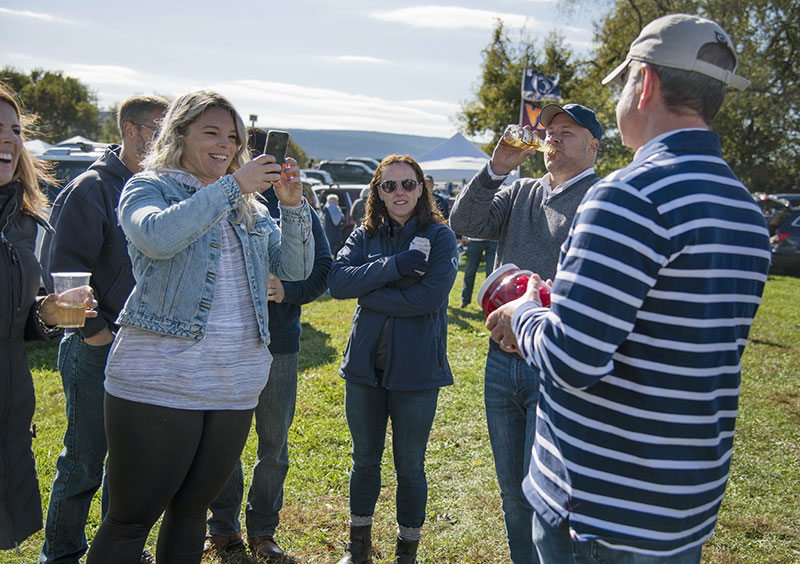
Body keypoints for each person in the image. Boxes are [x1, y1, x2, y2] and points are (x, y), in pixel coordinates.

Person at [488, 14, 769, 563]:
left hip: (598, 510)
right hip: (680, 506)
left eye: (622, 83)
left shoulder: (628, 196)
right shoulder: (743, 208)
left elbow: (571, 361)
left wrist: (526, 311)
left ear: (648, 83)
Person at [84, 90, 314, 564]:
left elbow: (294, 268)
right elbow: (156, 237)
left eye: (233, 137)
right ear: (179, 134)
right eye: (211, 132)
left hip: (234, 383)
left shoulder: (250, 206)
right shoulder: (149, 187)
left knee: (191, 515)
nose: (225, 145)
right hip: (158, 379)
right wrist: (234, 187)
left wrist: (292, 207)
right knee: (130, 521)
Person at [449, 103, 602, 563]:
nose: (553, 137)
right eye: (550, 130)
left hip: (554, 365)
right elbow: (464, 223)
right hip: (501, 361)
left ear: (594, 145)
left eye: (568, 132)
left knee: (554, 499)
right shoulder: (521, 193)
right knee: (513, 491)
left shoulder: (601, 199)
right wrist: (496, 168)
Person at [39, 94, 168, 564]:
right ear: (129, 131)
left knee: (130, 466)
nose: (165, 138)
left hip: (143, 351)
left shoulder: (159, 190)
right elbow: (64, 272)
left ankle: (118, 553)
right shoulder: (92, 187)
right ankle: (61, 555)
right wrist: (96, 334)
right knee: (83, 465)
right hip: (97, 348)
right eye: (158, 128)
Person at [204, 128, 333, 561]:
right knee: (225, 441)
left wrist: (288, 292)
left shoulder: (295, 201)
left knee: (272, 445)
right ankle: (222, 528)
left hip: (279, 345)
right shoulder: (226, 199)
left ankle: (262, 530)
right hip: (231, 341)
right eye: (253, 155)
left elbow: (322, 270)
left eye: (270, 157)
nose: (264, 164)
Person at [328, 155, 457, 564]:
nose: (398, 192)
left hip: (417, 373)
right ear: (377, 193)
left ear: (421, 189)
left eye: (407, 184)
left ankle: (407, 552)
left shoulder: (440, 237)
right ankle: (359, 547)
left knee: (410, 466)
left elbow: (429, 299)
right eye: (389, 186)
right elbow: (336, 281)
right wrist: (395, 266)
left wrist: (369, 290)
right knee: (364, 460)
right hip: (364, 371)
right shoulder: (366, 235)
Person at [0, 82, 96, 550]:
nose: (9, 139)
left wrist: (49, 311)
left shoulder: (22, 220)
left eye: (15, 130)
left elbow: (17, 318)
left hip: (9, 393)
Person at [458, 237, 497, 308]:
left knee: (491, 275)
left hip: (493, 240)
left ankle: (488, 304)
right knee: (470, 272)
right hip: (474, 240)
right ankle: (465, 300)